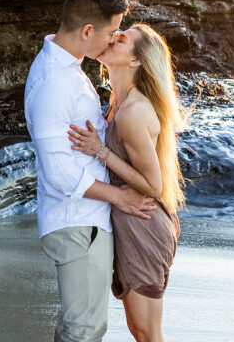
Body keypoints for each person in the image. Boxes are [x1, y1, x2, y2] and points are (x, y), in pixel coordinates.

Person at [24, 0, 157, 342]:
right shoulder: (55, 82)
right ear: (87, 31)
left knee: (77, 326)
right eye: (112, 32)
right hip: (77, 222)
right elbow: (58, 172)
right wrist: (120, 197)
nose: (113, 39)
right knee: (84, 330)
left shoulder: (69, 70)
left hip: (86, 221)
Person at [68, 23, 186, 342]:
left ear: (135, 61)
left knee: (148, 333)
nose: (112, 38)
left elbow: (153, 184)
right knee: (139, 330)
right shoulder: (117, 100)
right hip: (130, 223)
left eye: (122, 39)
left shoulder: (133, 111)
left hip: (144, 224)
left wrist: (101, 151)